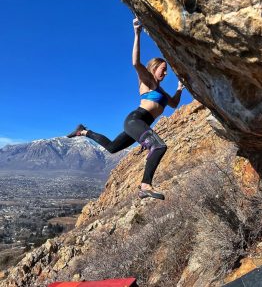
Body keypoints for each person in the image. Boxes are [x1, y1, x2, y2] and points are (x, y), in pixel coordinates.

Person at [67, 18, 185, 200]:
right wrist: (137, 34)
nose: (166, 73)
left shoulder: (161, 90)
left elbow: (174, 104)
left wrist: (179, 89)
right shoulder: (149, 81)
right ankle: (146, 185)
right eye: (163, 69)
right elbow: (136, 63)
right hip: (136, 119)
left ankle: (83, 131)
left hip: (139, 123)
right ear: (154, 69)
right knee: (159, 146)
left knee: (113, 147)